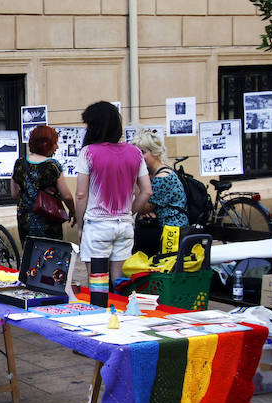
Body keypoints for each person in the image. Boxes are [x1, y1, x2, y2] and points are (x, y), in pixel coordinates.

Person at [75, 101, 151, 284]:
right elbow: (146, 191)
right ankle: (120, 311)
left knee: (97, 284)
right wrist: (129, 212)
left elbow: (81, 194)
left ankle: (101, 311)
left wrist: (80, 225)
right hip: (124, 225)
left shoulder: (88, 153)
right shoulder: (135, 152)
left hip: (97, 225)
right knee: (119, 284)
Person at [11, 125, 76, 245]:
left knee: (30, 255)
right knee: (49, 257)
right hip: (48, 220)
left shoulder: (19, 163)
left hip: (25, 221)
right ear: (46, 144)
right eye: (55, 143)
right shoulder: (53, 166)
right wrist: (72, 210)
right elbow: (66, 196)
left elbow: (14, 194)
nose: (57, 147)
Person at [131, 127, 188, 256]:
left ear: (155, 152)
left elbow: (144, 207)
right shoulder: (155, 173)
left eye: (142, 152)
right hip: (163, 229)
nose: (139, 157)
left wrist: (134, 180)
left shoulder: (163, 177)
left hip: (171, 234)